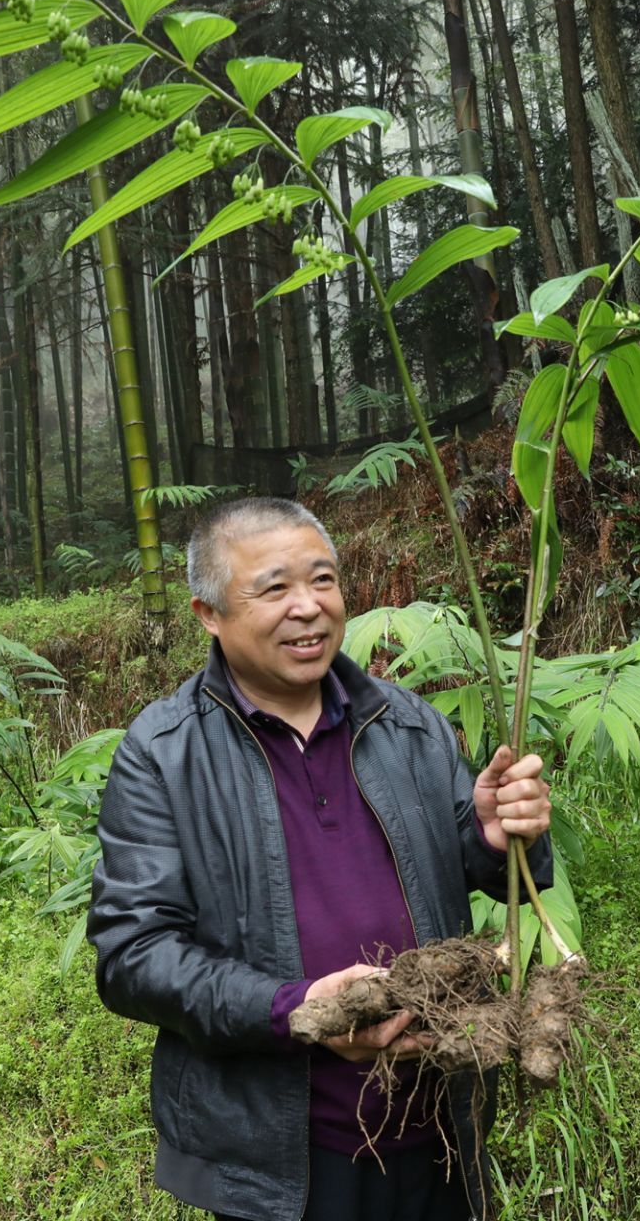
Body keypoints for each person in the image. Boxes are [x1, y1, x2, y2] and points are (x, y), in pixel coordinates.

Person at [87, 496, 553, 1221]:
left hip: (440, 1133)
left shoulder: (406, 723)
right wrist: (294, 1011)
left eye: (324, 580)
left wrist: (496, 835)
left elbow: (479, 864)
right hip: (285, 1168)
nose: (308, 607)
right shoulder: (163, 754)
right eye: (273, 588)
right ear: (208, 613)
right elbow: (132, 957)